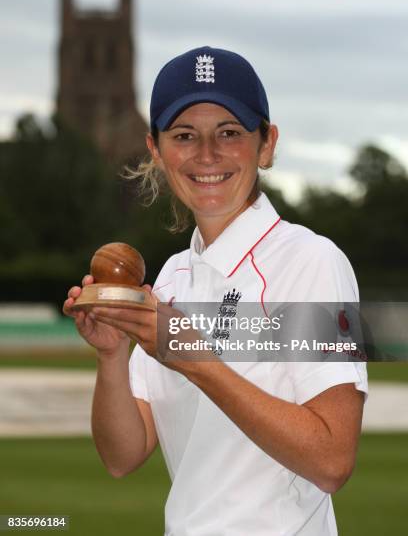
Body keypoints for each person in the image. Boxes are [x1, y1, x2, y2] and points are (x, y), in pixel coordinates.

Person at [63, 46, 368, 536]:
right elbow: (123, 455)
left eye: (229, 133)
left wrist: (193, 358)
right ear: (157, 151)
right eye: (184, 136)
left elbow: (332, 460)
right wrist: (112, 357)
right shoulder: (171, 278)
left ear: (266, 144)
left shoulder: (312, 261)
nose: (207, 154)